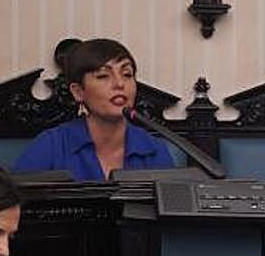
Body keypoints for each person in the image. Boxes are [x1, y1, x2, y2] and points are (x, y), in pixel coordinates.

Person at [12, 38, 180, 181]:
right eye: (103, 76)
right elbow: (12, 205)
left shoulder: (153, 150)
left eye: (127, 74)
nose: (119, 84)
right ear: (78, 92)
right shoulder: (51, 146)